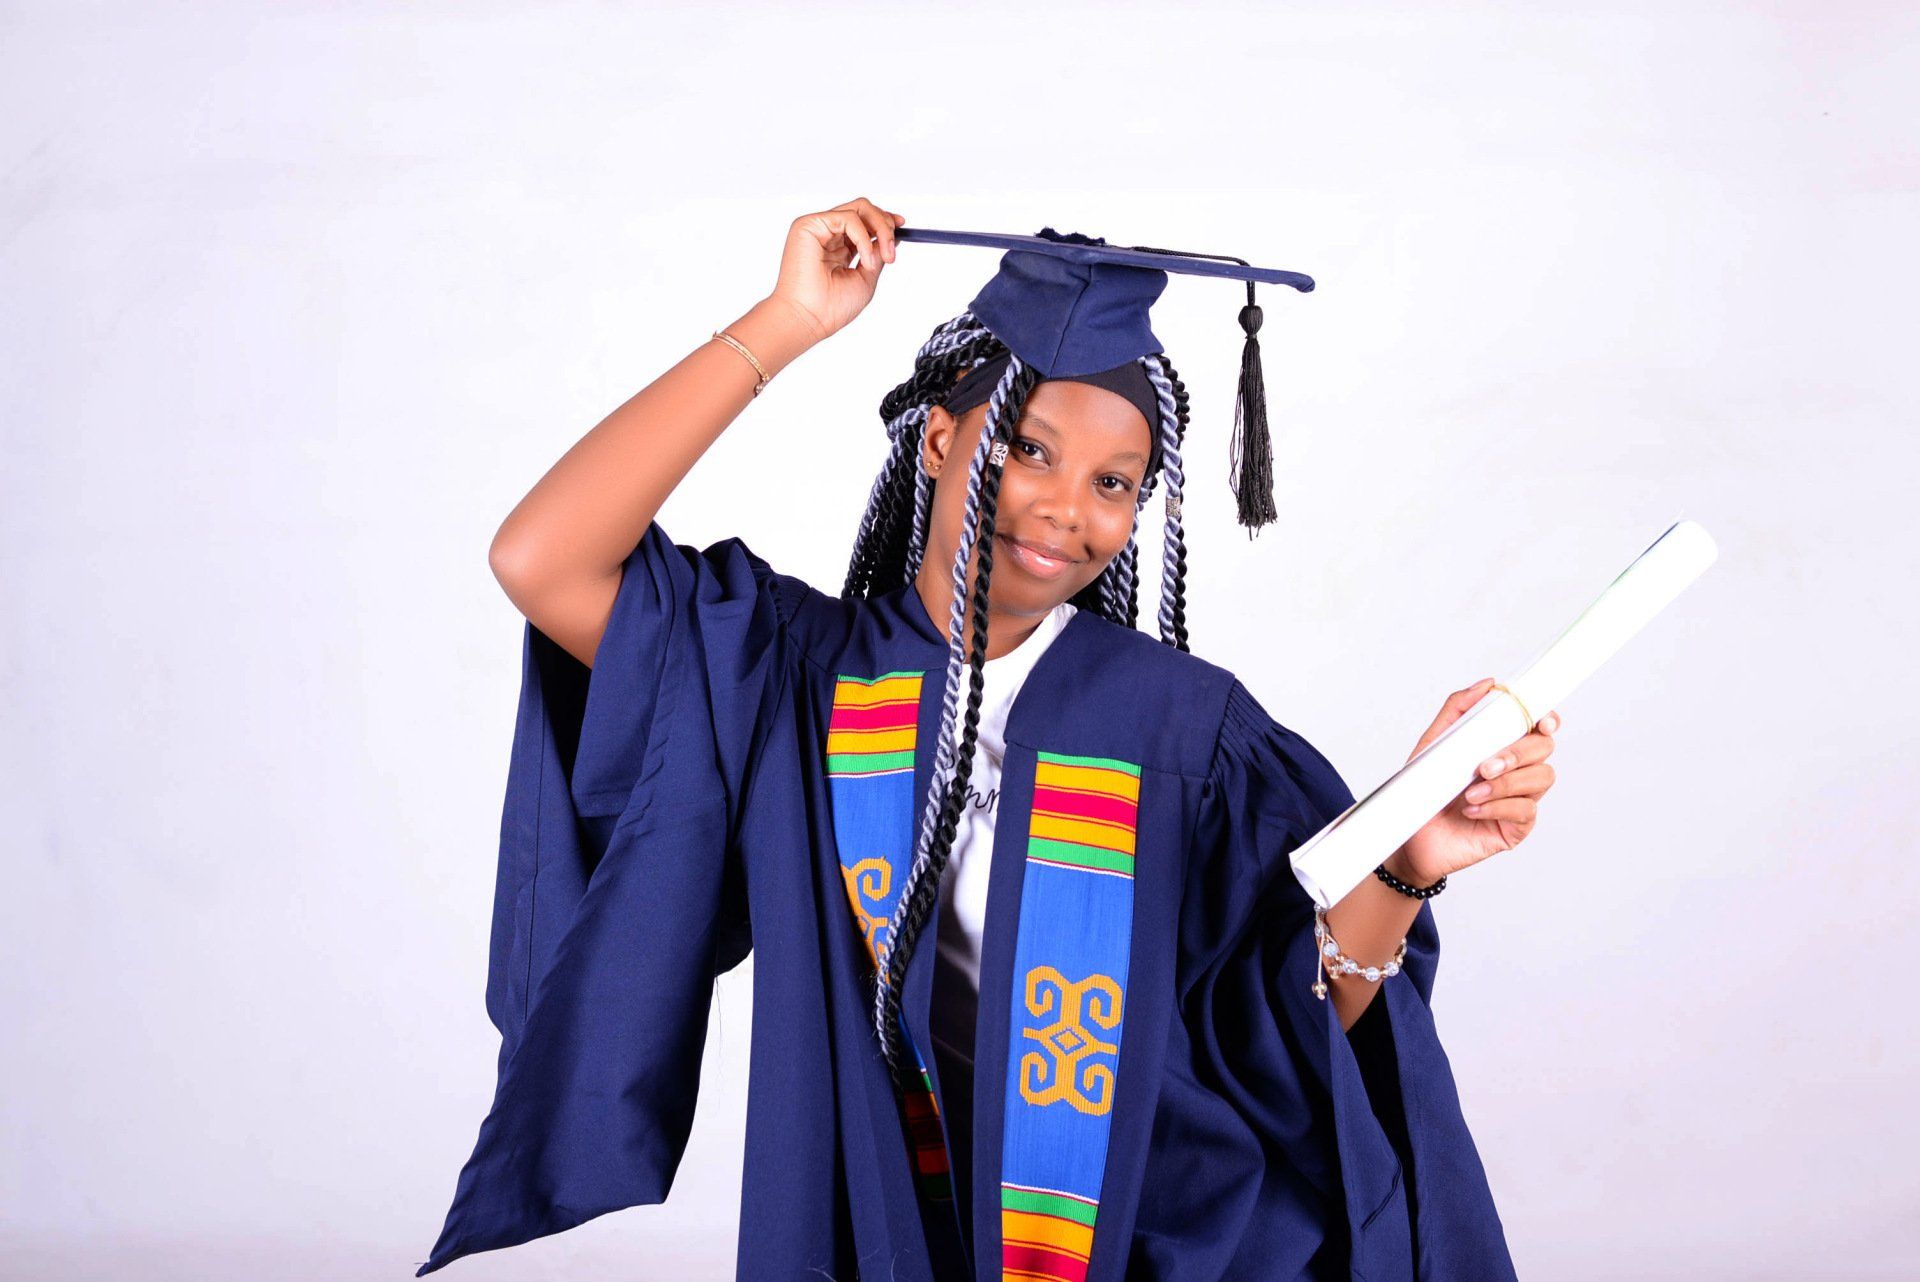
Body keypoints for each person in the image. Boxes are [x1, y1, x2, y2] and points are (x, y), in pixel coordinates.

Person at [415, 197, 1562, 1281]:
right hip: (890, 1236)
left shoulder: (1187, 727)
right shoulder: (796, 675)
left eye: (1115, 480)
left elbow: (1301, 1023)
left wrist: (1404, 865)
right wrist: (789, 319)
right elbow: (544, 560)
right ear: (937, 438)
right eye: (1029, 448)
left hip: (1162, 1247)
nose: (1069, 507)